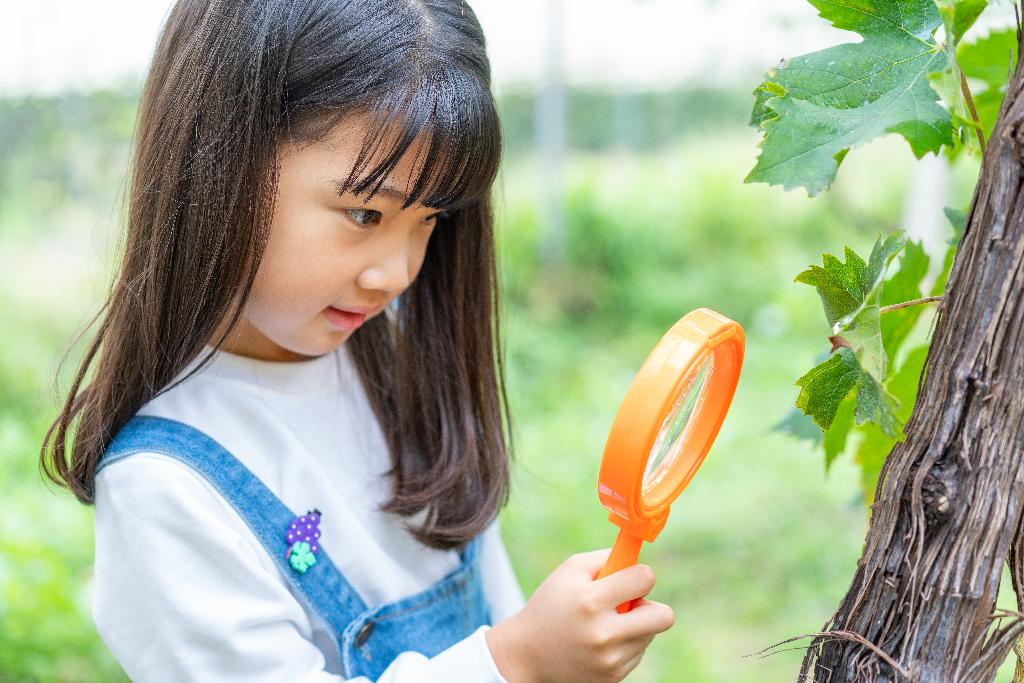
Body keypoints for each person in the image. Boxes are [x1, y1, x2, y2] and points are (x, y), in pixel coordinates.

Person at [39, 1, 675, 681]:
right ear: (220, 160)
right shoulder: (167, 488)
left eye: (430, 219)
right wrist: (515, 662)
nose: (396, 273)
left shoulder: (398, 360)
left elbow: (495, 598)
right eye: (364, 212)